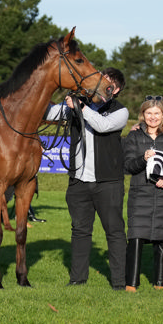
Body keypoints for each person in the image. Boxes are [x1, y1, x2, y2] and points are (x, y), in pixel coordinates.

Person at [44, 67, 128, 290]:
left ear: (115, 89)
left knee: (114, 231)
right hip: (78, 181)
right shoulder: (76, 104)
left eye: (106, 82)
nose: (98, 84)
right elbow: (49, 114)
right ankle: (77, 279)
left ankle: (119, 282)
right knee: (80, 231)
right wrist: (45, 93)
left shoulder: (120, 111)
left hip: (108, 182)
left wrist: (80, 108)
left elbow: (102, 126)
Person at [123, 96, 163, 292]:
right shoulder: (134, 136)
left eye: (157, 113)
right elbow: (127, 165)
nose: (153, 117)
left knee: (162, 238)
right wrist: (142, 158)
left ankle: (160, 283)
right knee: (136, 237)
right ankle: (131, 283)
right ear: (143, 115)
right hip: (141, 193)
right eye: (149, 113)